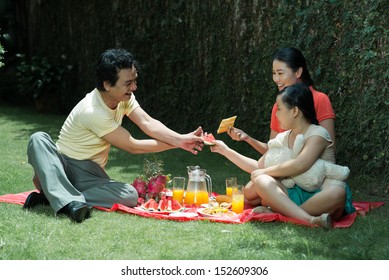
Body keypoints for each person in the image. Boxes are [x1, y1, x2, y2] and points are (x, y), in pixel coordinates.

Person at [24, 48, 205, 223]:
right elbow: (133, 145)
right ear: (107, 84)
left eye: (134, 81)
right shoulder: (92, 111)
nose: (134, 87)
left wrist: (181, 139)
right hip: (60, 167)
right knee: (38, 138)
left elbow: (148, 123)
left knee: (130, 195)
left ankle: (54, 196)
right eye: (128, 83)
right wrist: (179, 143)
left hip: (91, 174)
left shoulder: (124, 98)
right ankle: (62, 196)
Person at [210, 83, 346, 229]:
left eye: (279, 109)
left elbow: (301, 164)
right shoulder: (283, 137)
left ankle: (280, 212)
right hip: (292, 194)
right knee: (261, 182)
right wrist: (225, 150)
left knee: (338, 192)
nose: (276, 114)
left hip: (320, 195)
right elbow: (258, 166)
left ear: (294, 111)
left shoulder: (318, 134)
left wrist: (263, 172)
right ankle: (310, 220)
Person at [227, 47, 336, 154]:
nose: (276, 79)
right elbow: (272, 151)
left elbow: (329, 147)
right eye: (274, 73)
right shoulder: (278, 106)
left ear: (298, 72)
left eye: (280, 73)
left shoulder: (320, 99)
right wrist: (247, 138)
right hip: (283, 169)